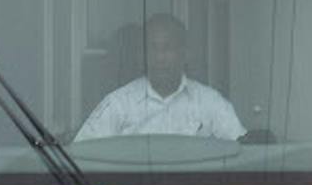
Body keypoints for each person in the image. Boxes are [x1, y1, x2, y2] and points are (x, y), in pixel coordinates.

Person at [75, 13, 244, 142]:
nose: (159, 57)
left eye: (167, 48)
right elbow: (83, 155)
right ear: (142, 55)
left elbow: (241, 151)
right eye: (153, 49)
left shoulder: (210, 102)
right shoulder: (118, 103)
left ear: (184, 54)